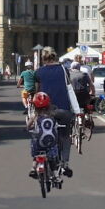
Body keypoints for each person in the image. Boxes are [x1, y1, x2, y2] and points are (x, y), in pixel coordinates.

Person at [33, 48, 80, 177]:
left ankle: (38, 162)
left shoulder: (38, 72)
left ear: (43, 59)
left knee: (40, 135)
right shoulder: (64, 70)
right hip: (64, 110)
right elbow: (69, 88)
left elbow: (37, 94)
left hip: (46, 111)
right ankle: (65, 164)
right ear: (55, 57)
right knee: (65, 137)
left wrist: (34, 114)